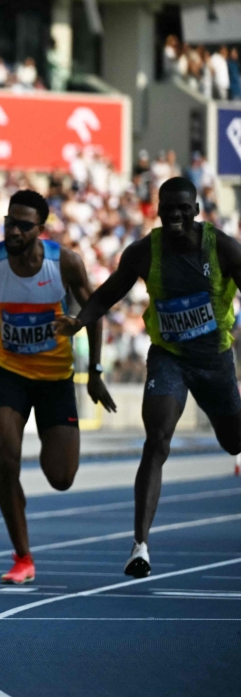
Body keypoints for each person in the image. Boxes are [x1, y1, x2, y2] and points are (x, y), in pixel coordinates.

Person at [56, 176, 241, 578]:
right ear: (157, 210)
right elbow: (105, 295)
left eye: (182, 208)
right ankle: (140, 545)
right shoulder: (143, 252)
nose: (174, 214)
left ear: (196, 210)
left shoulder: (223, 248)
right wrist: (78, 322)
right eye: (167, 207)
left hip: (215, 361)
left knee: (233, 442)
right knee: (156, 441)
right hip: (169, 358)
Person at [0, 190, 116, 584]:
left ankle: (20, 499)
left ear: (41, 229)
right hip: (9, 374)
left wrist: (96, 371)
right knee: (7, 462)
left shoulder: (65, 263)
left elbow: (95, 311)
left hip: (54, 381)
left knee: (62, 478)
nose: (13, 230)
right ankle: (22, 556)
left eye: (23, 225)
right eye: (9, 222)